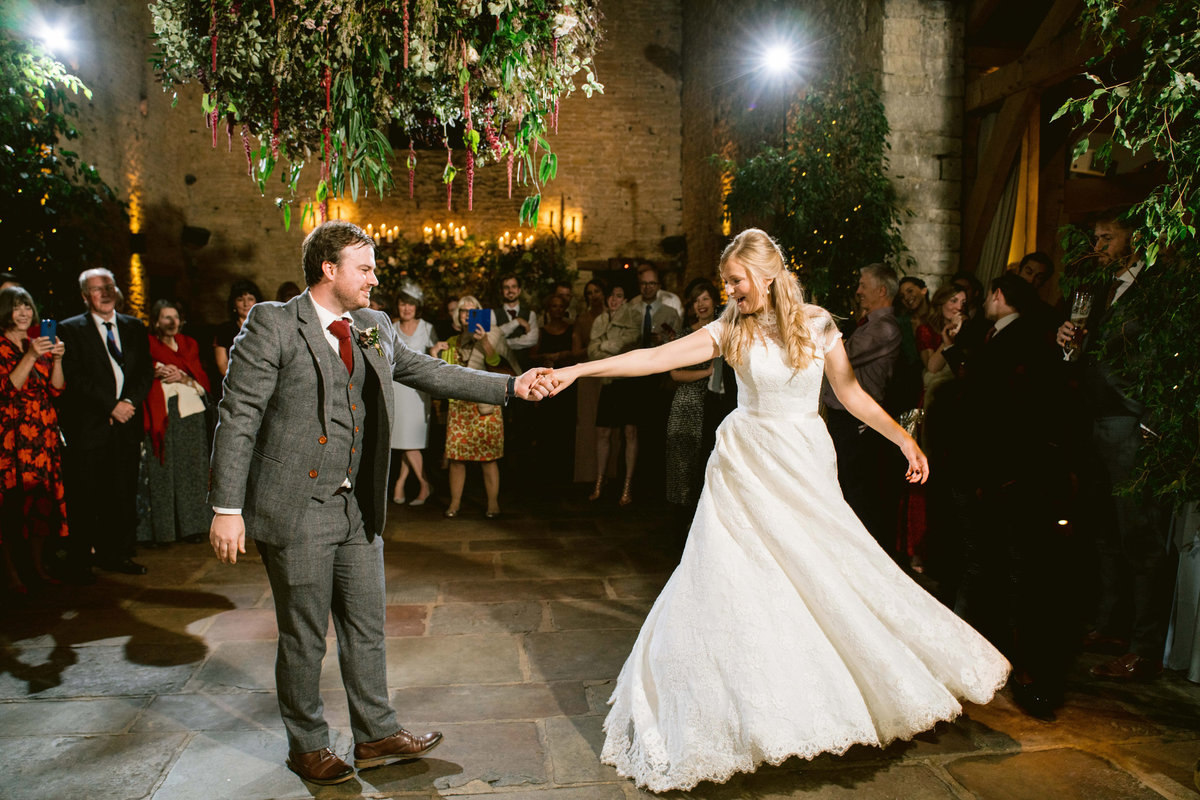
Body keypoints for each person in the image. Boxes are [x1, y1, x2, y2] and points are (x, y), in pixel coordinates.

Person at [544, 229, 1009, 792]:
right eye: (726, 283)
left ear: (766, 274)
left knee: (825, 574)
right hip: (743, 464)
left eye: (736, 281)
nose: (730, 291)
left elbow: (851, 392)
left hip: (804, 460)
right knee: (732, 581)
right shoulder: (728, 327)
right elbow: (655, 358)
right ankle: (741, 709)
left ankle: (848, 686)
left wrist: (903, 440)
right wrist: (578, 372)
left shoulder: (817, 323)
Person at [207, 221, 550, 786]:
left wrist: (510, 387)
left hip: (357, 507)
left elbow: (431, 372)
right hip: (294, 506)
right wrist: (227, 508)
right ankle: (308, 743)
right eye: (364, 268)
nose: (374, 278)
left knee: (367, 624)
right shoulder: (272, 323)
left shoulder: (374, 325)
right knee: (304, 633)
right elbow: (238, 416)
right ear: (328, 269)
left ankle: (375, 733)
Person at [1056, 208, 1171, 681]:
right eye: (1096, 238)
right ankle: (1110, 626)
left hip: (1130, 422)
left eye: (1107, 238)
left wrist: (1155, 422)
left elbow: (1166, 358)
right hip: (1094, 421)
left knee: (1138, 535)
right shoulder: (1102, 291)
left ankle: (1144, 648)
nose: (1098, 247)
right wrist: (1066, 338)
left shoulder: (1156, 289)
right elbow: (1083, 355)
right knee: (1103, 532)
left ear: (1133, 239)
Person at [59, 268, 154, 578]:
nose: (105, 292)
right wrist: (110, 406)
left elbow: (143, 373)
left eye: (109, 286)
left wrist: (128, 403)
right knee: (87, 495)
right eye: (98, 288)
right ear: (86, 296)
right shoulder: (71, 329)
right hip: (91, 425)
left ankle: (119, 554)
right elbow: (74, 377)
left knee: (123, 493)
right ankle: (82, 560)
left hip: (127, 424)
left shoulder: (133, 326)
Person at [820, 263, 902, 554]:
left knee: (856, 492)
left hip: (858, 422)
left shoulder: (884, 328)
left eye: (863, 286)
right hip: (846, 418)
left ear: (881, 290)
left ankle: (862, 556)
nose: (857, 291)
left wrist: (818, 325)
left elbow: (842, 355)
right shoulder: (870, 324)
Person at [0, 287, 67, 593]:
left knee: (40, 505)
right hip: (11, 438)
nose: (24, 313)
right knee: (9, 508)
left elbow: (56, 389)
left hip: (41, 437)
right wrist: (29, 356)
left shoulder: (35, 342)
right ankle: (11, 576)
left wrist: (56, 360)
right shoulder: (2, 345)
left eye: (27, 306)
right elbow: (8, 387)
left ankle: (38, 568)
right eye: (17, 308)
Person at [431, 296, 522, 519]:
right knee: (456, 459)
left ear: (480, 314)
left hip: (485, 406)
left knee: (489, 459)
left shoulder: (491, 336)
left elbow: (497, 365)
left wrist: (485, 343)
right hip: (460, 407)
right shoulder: (452, 342)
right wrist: (434, 353)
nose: (467, 316)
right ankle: (455, 503)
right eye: (463, 311)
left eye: (472, 312)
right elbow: (442, 374)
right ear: (458, 315)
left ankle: (493, 504)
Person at [140, 300, 212, 545]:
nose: (171, 323)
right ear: (156, 321)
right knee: (165, 470)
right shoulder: (148, 345)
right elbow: (139, 369)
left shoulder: (189, 344)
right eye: (165, 317)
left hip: (191, 411)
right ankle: (166, 531)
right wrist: (155, 369)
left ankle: (193, 527)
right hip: (163, 412)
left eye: (175, 317)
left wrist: (183, 375)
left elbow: (199, 374)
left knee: (192, 470)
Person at [664, 282, 718, 517]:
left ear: (714, 301)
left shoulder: (723, 331)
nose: (701, 304)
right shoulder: (686, 334)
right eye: (697, 300)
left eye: (705, 299)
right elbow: (675, 373)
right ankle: (682, 518)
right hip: (688, 402)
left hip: (715, 403)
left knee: (709, 459)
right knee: (683, 460)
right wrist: (707, 373)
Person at [390, 286, 437, 506]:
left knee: (411, 441)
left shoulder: (428, 328)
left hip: (418, 392)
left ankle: (420, 483)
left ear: (417, 307)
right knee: (403, 439)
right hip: (397, 389)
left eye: (410, 304)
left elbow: (436, 361)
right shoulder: (390, 327)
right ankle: (409, 482)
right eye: (402, 303)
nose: (406, 308)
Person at [213, 278, 263, 377]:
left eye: (250, 299)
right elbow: (222, 365)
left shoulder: (266, 327)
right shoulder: (224, 330)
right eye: (240, 300)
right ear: (234, 304)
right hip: (235, 380)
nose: (246, 304)